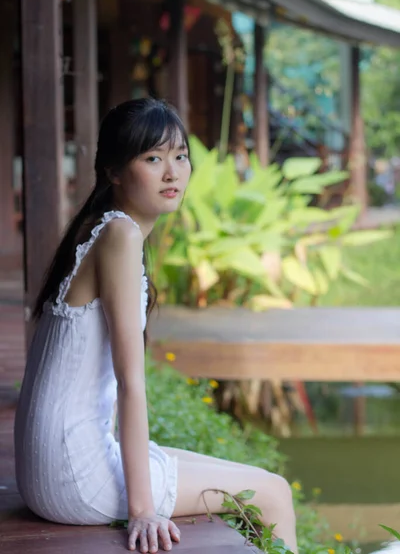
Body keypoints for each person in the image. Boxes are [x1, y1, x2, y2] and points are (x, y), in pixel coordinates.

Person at [14, 98, 297, 553]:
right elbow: (130, 382)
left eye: (180, 156)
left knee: (253, 479)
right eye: (153, 158)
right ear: (113, 171)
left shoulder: (102, 231)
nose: (173, 173)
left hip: (49, 470)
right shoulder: (120, 236)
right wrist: (143, 510)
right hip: (72, 474)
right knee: (275, 493)